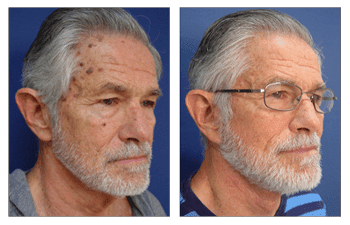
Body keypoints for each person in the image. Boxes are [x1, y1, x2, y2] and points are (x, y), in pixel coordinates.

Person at [9, 8, 167, 216]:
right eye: (109, 101)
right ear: (39, 114)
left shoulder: (153, 210)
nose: (141, 132)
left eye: (147, 102)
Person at [180, 9, 338, 216]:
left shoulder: (309, 205)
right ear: (209, 114)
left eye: (315, 97)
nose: (312, 122)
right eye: (278, 94)